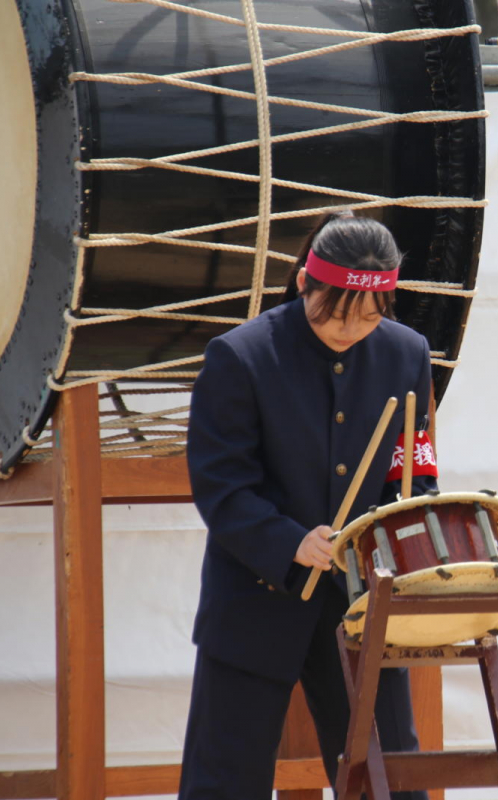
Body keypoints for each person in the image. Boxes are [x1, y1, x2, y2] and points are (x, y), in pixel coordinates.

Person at [179, 211, 437, 799]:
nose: (351, 329)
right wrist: (288, 540)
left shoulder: (407, 354)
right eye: (336, 312)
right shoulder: (240, 356)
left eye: (369, 316)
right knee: (225, 781)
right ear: (304, 283)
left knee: (389, 780)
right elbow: (221, 484)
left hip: (360, 602)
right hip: (253, 598)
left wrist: (393, 544)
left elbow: (415, 473)